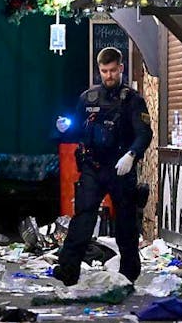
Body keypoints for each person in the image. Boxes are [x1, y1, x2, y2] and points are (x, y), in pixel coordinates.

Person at [52, 47, 152, 285]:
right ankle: (67, 272)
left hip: (120, 168)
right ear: (99, 70)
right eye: (104, 71)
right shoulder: (88, 98)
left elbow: (144, 133)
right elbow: (78, 129)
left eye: (112, 71)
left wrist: (131, 155)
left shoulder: (132, 100)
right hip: (93, 168)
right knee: (82, 220)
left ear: (121, 68)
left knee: (126, 225)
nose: (108, 76)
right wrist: (65, 129)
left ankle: (129, 275)